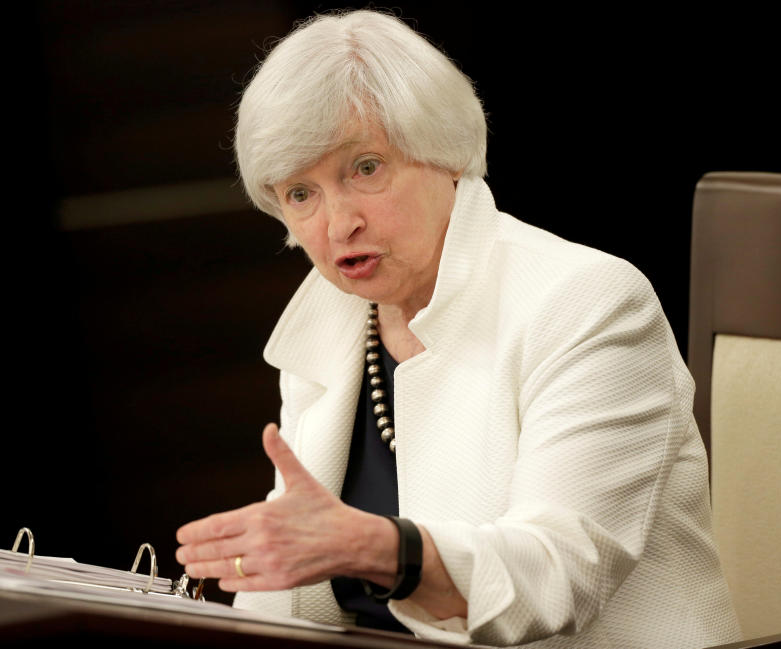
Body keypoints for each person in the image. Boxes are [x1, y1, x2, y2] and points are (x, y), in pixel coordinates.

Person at [175, 9, 741, 648]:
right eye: (300, 194)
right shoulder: (332, 321)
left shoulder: (588, 302)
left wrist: (379, 548)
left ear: (445, 154)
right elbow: (296, 593)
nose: (338, 225)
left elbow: (558, 574)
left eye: (365, 168)